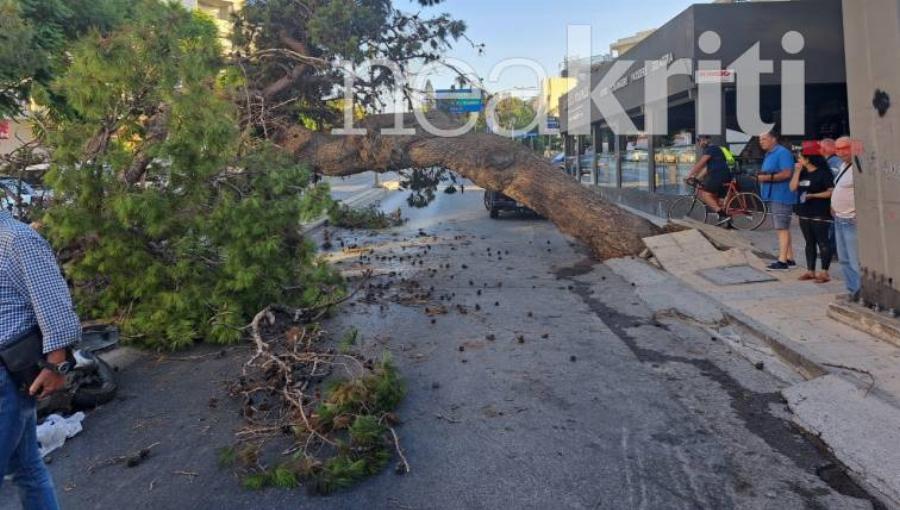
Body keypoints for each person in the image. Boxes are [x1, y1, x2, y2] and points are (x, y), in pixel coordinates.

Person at [1, 209, 81, 510]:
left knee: (27, 471)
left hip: (8, 376)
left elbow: (53, 304)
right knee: (27, 470)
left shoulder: (17, 239)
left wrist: (56, 364)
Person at [790, 150, 834, 283]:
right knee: (809, 242)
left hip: (819, 211)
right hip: (804, 211)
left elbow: (831, 192)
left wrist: (814, 195)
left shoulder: (823, 173)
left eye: (800, 158)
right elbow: (792, 188)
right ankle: (810, 270)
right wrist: (796, 172)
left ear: (808, 159)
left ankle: (824, 272)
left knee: (822, 241)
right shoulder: (802, 173)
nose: (798, 161)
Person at [757, 131, 798, 270]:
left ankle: (782, 261)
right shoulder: (769, 154)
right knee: (783, 227)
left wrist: (765, 178)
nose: (761, 142)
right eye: (760, 140)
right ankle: (790, 258)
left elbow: (787, 173)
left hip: (781, 195)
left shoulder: (782, 153)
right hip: (773, 195)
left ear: (773, 139)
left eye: (764, 139)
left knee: (781, 228)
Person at [832, 136, 862, 301]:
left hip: (851, 219)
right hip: (839, 218)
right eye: (838, 149)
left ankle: (862, 292)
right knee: (843, 259)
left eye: (845, 148)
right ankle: (852, 290)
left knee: (854, 259)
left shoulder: (859, 166)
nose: (841, 152)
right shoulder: (843, 165)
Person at [685, 135, 734, 224]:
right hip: (724, 175)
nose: (700, 143)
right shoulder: (716, 149)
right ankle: (727, 222)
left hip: (718, 176)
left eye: (701, 140)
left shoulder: (711, 149)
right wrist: (697, 178)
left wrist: (689, 175)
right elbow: (707, 168)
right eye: (699, 141)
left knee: (705, 194)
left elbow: (701, 163)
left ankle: (722, 215)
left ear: (706, 140)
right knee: (719, 201)